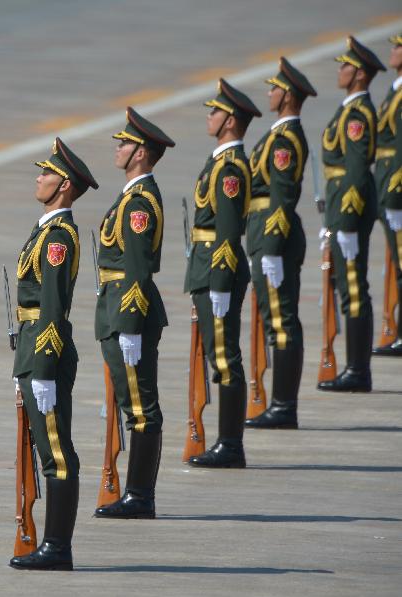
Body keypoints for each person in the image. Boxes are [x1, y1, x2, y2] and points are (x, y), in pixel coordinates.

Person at [9, 137, 98, 570]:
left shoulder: (59, 236)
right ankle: (51, 544)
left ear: (63, 185)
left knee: (57, 452)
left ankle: (57, 547)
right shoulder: (46, 229)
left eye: (47, 173)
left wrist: (42, 366)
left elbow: (51, 304)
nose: (39, 178)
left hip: (45, 351)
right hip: (32, 347)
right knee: (48, 448)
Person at [93, 107, 174, 519]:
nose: (119, 148)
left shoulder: (140, 201)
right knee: (133, 402)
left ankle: (140, 495)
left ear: (140, 152)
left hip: (129, 312)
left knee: (141, 406)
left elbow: (139, 268)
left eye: (125, 143)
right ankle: (135, 492)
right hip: (118, 308)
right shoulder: (131, 196)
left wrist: (128, 325)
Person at [184, 79, 260, 468]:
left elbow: (229, 230)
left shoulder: (229, 166)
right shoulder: (220, 161)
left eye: (215, 111)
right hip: (208, 266)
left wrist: (218, 283)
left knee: (225, 357)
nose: (210, 116)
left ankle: (231, 444)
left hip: (218, 270)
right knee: (218, 354)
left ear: (230, 120)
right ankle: (227, 441)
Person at [244, 58, 317, 429]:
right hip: (264, 233)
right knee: (276, 320)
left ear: (287, 96)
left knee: (282, 322)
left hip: (275, 237)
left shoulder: (285, 139)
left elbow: (283, 195)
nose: (270, 93)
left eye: (274, 88)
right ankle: (281, 404)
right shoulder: (277, 134)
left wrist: (271, 245)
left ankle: (284, 407)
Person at [317, 36, 385, 392]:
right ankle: (355, 367)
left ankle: (358, 370)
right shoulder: (349, 110)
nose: (340, 71)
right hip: (344, 209)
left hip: (351, 212)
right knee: (348, 286)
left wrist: (344, 221)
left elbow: (358, 171)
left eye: (346, 66)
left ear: (359, 75)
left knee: (354, 288)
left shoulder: (357, 114)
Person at [372, 33, 402, 357]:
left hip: (397, 189)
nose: (393, 51)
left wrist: (395, 190)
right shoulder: (394, 92)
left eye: (398, 46)